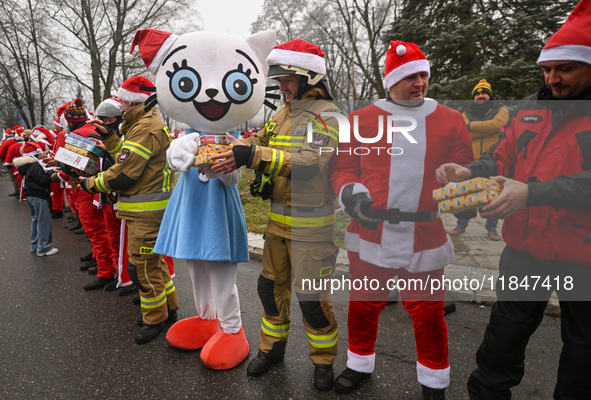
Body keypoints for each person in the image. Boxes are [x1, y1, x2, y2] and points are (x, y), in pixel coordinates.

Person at [436, 1, 591, 398]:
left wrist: (533, 192)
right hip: (527, 249)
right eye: (546, 70)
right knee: (501, 343)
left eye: (565, 69)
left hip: (584, 256)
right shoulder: (530, 110)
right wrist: (469, 170)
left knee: (582, 358)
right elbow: (500, 156)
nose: (552, 79)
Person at [329, 40, 474, 399]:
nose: (419, 81)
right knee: (364, 304)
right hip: (370, 229)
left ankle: (434, 382)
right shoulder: (361, 119)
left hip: (424, 234)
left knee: (428, 314)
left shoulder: (451, 119)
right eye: (410, 75)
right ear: (391, 80)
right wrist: (354, 197)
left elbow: (467, 170)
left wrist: (463, 182)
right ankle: (358, 363)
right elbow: (343, 168)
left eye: (423, 74)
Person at [211, 39, 341, 390]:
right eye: (279, 80)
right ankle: (272, 351)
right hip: (277, 226)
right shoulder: (283, 114)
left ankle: (324, 360)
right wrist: (232, 145)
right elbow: (260, 143)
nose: (281, 87)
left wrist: (251, 157)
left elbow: (310, 163)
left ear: (309, 78)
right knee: (269, 289)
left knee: (311, 300)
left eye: (287, 79)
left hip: (312, 229)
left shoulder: (328, 117)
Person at [80, 75, 179, 344]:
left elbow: (125, 173)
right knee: (154, 264)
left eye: (123, 100)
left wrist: (90, 183)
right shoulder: (143, 124)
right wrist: (112, 140)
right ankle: (170, 309)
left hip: (147, 212)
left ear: (132, 101)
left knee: (141, 269)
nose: (120, 105)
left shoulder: (145, 127)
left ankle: (155, 319)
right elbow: (130, 156)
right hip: (146, 210)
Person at [449, 79, 510, 241]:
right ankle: (461, 225)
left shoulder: (501, 110)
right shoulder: (464, 114)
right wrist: (489, 129)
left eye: (484, 93)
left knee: (493, 197)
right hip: (471, 163)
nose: (480, 96)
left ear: (489, 96)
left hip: (494, 161)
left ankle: (491, 228)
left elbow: (499, 124)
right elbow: (465, 133)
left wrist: (471, 128)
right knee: (465, 195)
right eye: (477, 93)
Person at [14, 141, 58, 256]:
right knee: (44, 221)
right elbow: (42, 180)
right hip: (39, 195)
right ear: (34, 154)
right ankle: (44, 247)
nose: (41, 154)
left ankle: (35, 245)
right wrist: (51, 175)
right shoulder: (34, 165)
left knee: (36, 220)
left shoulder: (28, 165)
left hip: (31, 195)